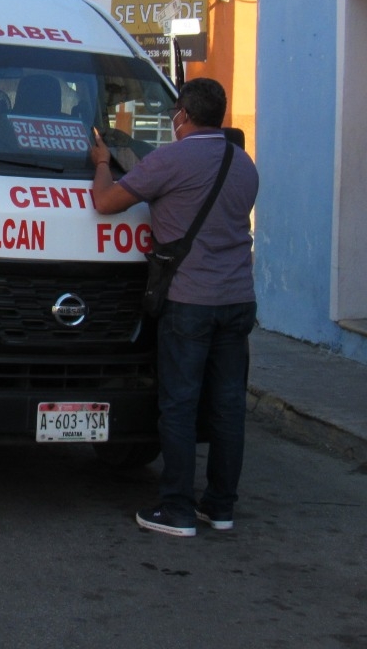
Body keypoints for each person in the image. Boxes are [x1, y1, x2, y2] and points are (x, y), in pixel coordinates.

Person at [90, 77, 258, 537]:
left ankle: (177, 509)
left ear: (182, 114)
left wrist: (103, 162)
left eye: (175, 114)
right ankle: (220, 507)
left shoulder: (172, 159)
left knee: (180, 405)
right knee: (226, 406)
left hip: (190, 302)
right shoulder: (243, 164)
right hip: (238, 300)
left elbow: (106, 202)